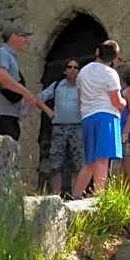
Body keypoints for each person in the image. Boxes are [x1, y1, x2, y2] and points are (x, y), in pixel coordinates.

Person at [73, 40, 125, 198]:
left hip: (88, 117)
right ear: (114, 58)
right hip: (106, 116)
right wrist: (124, 102)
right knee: (102, 158)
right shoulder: (110, 74)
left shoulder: (83, 72)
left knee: (90, 161)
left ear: (97, 52)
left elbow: (80, 99)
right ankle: (99, 198)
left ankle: (75, 195)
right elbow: (116, 101)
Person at [0, 22, 53, 141]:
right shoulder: (2, 53)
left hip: (7, 115)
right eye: (23, 36)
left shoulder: (8, 56)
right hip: (2, 116)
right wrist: (25, 93)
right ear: (13, 37)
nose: (26, 40)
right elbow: (1, 76)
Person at [40, 58, 83, 195]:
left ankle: (76, 196)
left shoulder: (83, 86)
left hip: (78, 128)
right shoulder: (57, 85)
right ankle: (55, 196)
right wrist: (49, 112)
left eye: (76, 67)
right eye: (69, 67)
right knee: (56, 164)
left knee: (78, 163)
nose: (73, 69)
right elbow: (39, 98)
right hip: (59, 128)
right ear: (65, 70)